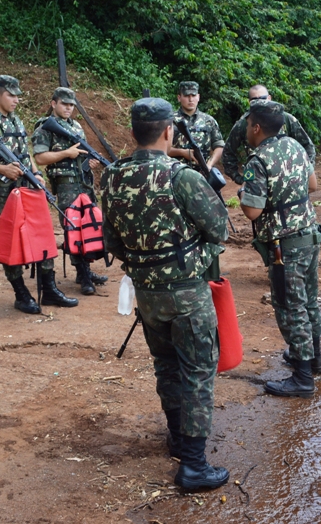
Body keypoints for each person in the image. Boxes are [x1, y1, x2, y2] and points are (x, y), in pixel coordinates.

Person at [100, 97, 230, 491]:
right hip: (187, 295)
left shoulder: (112, 177)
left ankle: (177, 437)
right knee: (197, 373)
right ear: (169, 131)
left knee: (167, 366)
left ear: (134, 133)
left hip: (147, 295)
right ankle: (193, 466)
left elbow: (113, 243)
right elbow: (220, 230)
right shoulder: (182, 176)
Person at [0, 75, 78, 313]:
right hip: (4, 192)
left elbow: (25, 154)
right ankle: (21, 294)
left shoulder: (16, 120)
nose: (16, 100)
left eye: (17, 96)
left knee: (42, 233)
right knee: (10, 241)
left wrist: (36, 174)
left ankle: (49, 289)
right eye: (11, 95)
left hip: (28, 187)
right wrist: (2, 169)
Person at [238, 101, 321, 398]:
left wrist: (243, 195)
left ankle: (302, 378)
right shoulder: (296, 146)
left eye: (249, 124)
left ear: (257, 127)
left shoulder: (257, 160)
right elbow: (312, 185)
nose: (247, 129)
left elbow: (251, 212)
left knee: (291, 308)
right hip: (309, 237)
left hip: (284, 246)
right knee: (309, 302)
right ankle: (315, 360)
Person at [32, 87, 109, 296]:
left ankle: (85, 270)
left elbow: (80, 156)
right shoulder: (45, 127)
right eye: (64, 104)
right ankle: (82, 273)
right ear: (53, 103)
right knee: (73, 227)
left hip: (83, 183)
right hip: (65, 185)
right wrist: (67, 153)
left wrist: (89, 162)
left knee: (88, 226)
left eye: (71, 105)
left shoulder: (75, 126)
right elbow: (39, 158)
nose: (68, 108)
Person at [221, 84, 316, 184]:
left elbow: (307, 146)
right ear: (249, 102)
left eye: (262, 98)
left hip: (285, 176)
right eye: (254, 100)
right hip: (256, 176)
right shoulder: (244, 123)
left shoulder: (285, 119)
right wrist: (239, 179)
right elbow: (228, 153)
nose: (260, 102)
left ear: (269, 98)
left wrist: (306, 171)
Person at [168, 81, 225, 174]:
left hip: (203, 174)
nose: (190, 99)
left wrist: (209, 165)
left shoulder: (209, 120)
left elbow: (219, 145)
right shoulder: (170, 120)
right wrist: (182, 152)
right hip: (176, 173)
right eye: (186, 96)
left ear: (198, 97)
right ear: (179, 98)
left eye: (193, 96)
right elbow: (161, 149)